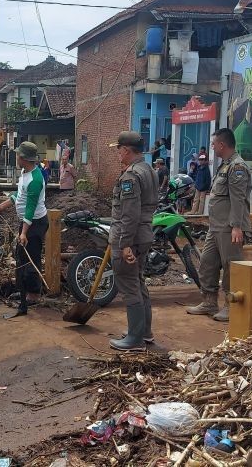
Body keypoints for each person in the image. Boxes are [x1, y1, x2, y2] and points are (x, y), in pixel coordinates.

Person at [187, 128, 251, 322]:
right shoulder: (225, 165)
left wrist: (237, 226)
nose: (212, 147)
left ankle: (232, 306)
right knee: (207, 263)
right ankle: (209, 301)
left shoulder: (237, 167)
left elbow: (238, 199)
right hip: (216, 226)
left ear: (222, 145)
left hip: (229, 227)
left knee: (231, 267)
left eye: (214, 144)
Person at [106, 131, 158, 351]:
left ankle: (135, 339)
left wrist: (125, 244)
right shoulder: (148, 170)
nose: (117, 154)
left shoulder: (130, 176)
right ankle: (144, 332)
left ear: (126, 150)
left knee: (129, 286)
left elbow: (129, 214)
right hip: (144, 235)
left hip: (129, 238)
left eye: (118, 149)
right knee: (138, 282)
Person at [0, 142, 48, 318]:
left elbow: (30, 209)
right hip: (27, 223)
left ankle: (32, 295)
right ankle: (26, 292)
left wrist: (24, 233)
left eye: (18, 155)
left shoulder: (35, 180)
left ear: (23, 158)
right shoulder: (25, 173)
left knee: (29, 262)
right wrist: (4, 205)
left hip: (34, 224)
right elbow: (19, 195)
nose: (16, 157)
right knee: (22, 259)